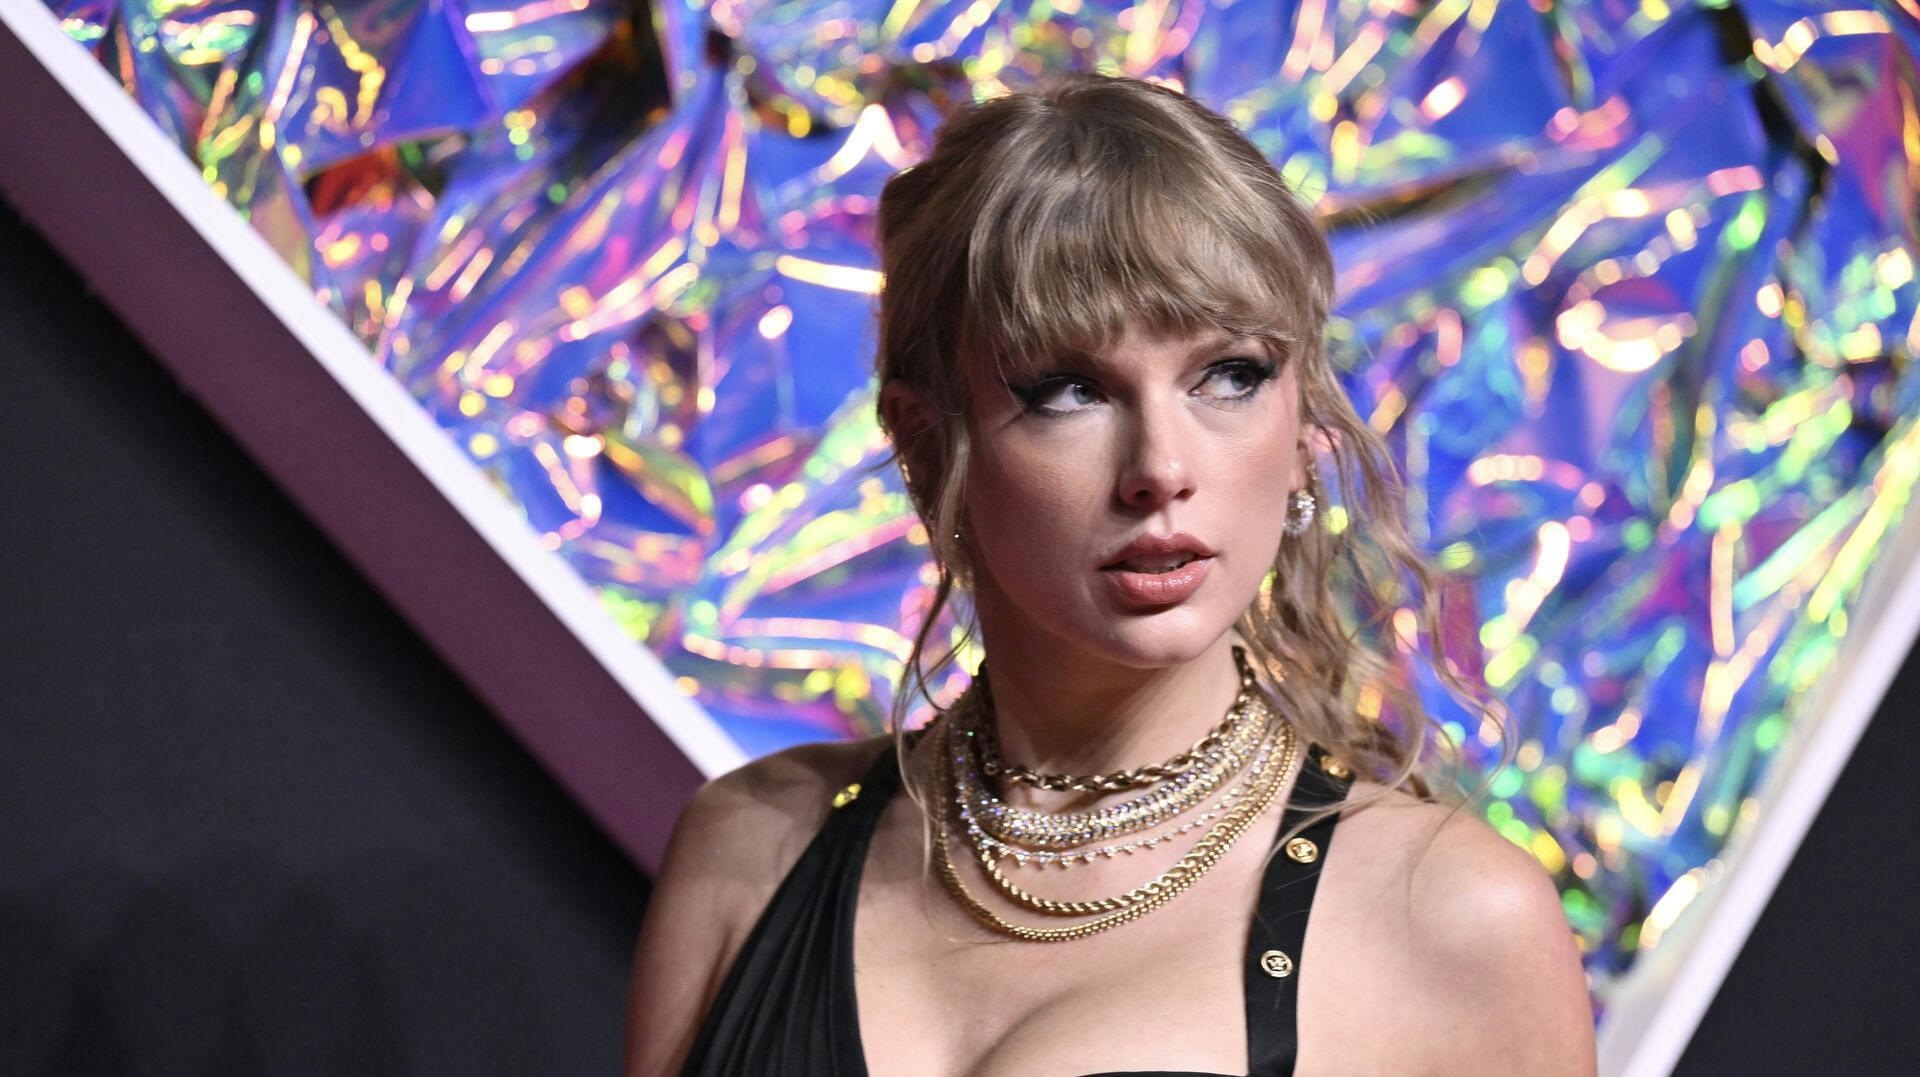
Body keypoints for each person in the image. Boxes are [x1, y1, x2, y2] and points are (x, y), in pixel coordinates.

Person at [626, 71, 1596, 1076]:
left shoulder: (1451, 920)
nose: (1162, 471)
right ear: (925, 444)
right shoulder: (750, 846)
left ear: (1304, 428)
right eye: (1071, 390)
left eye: (1230, 375)